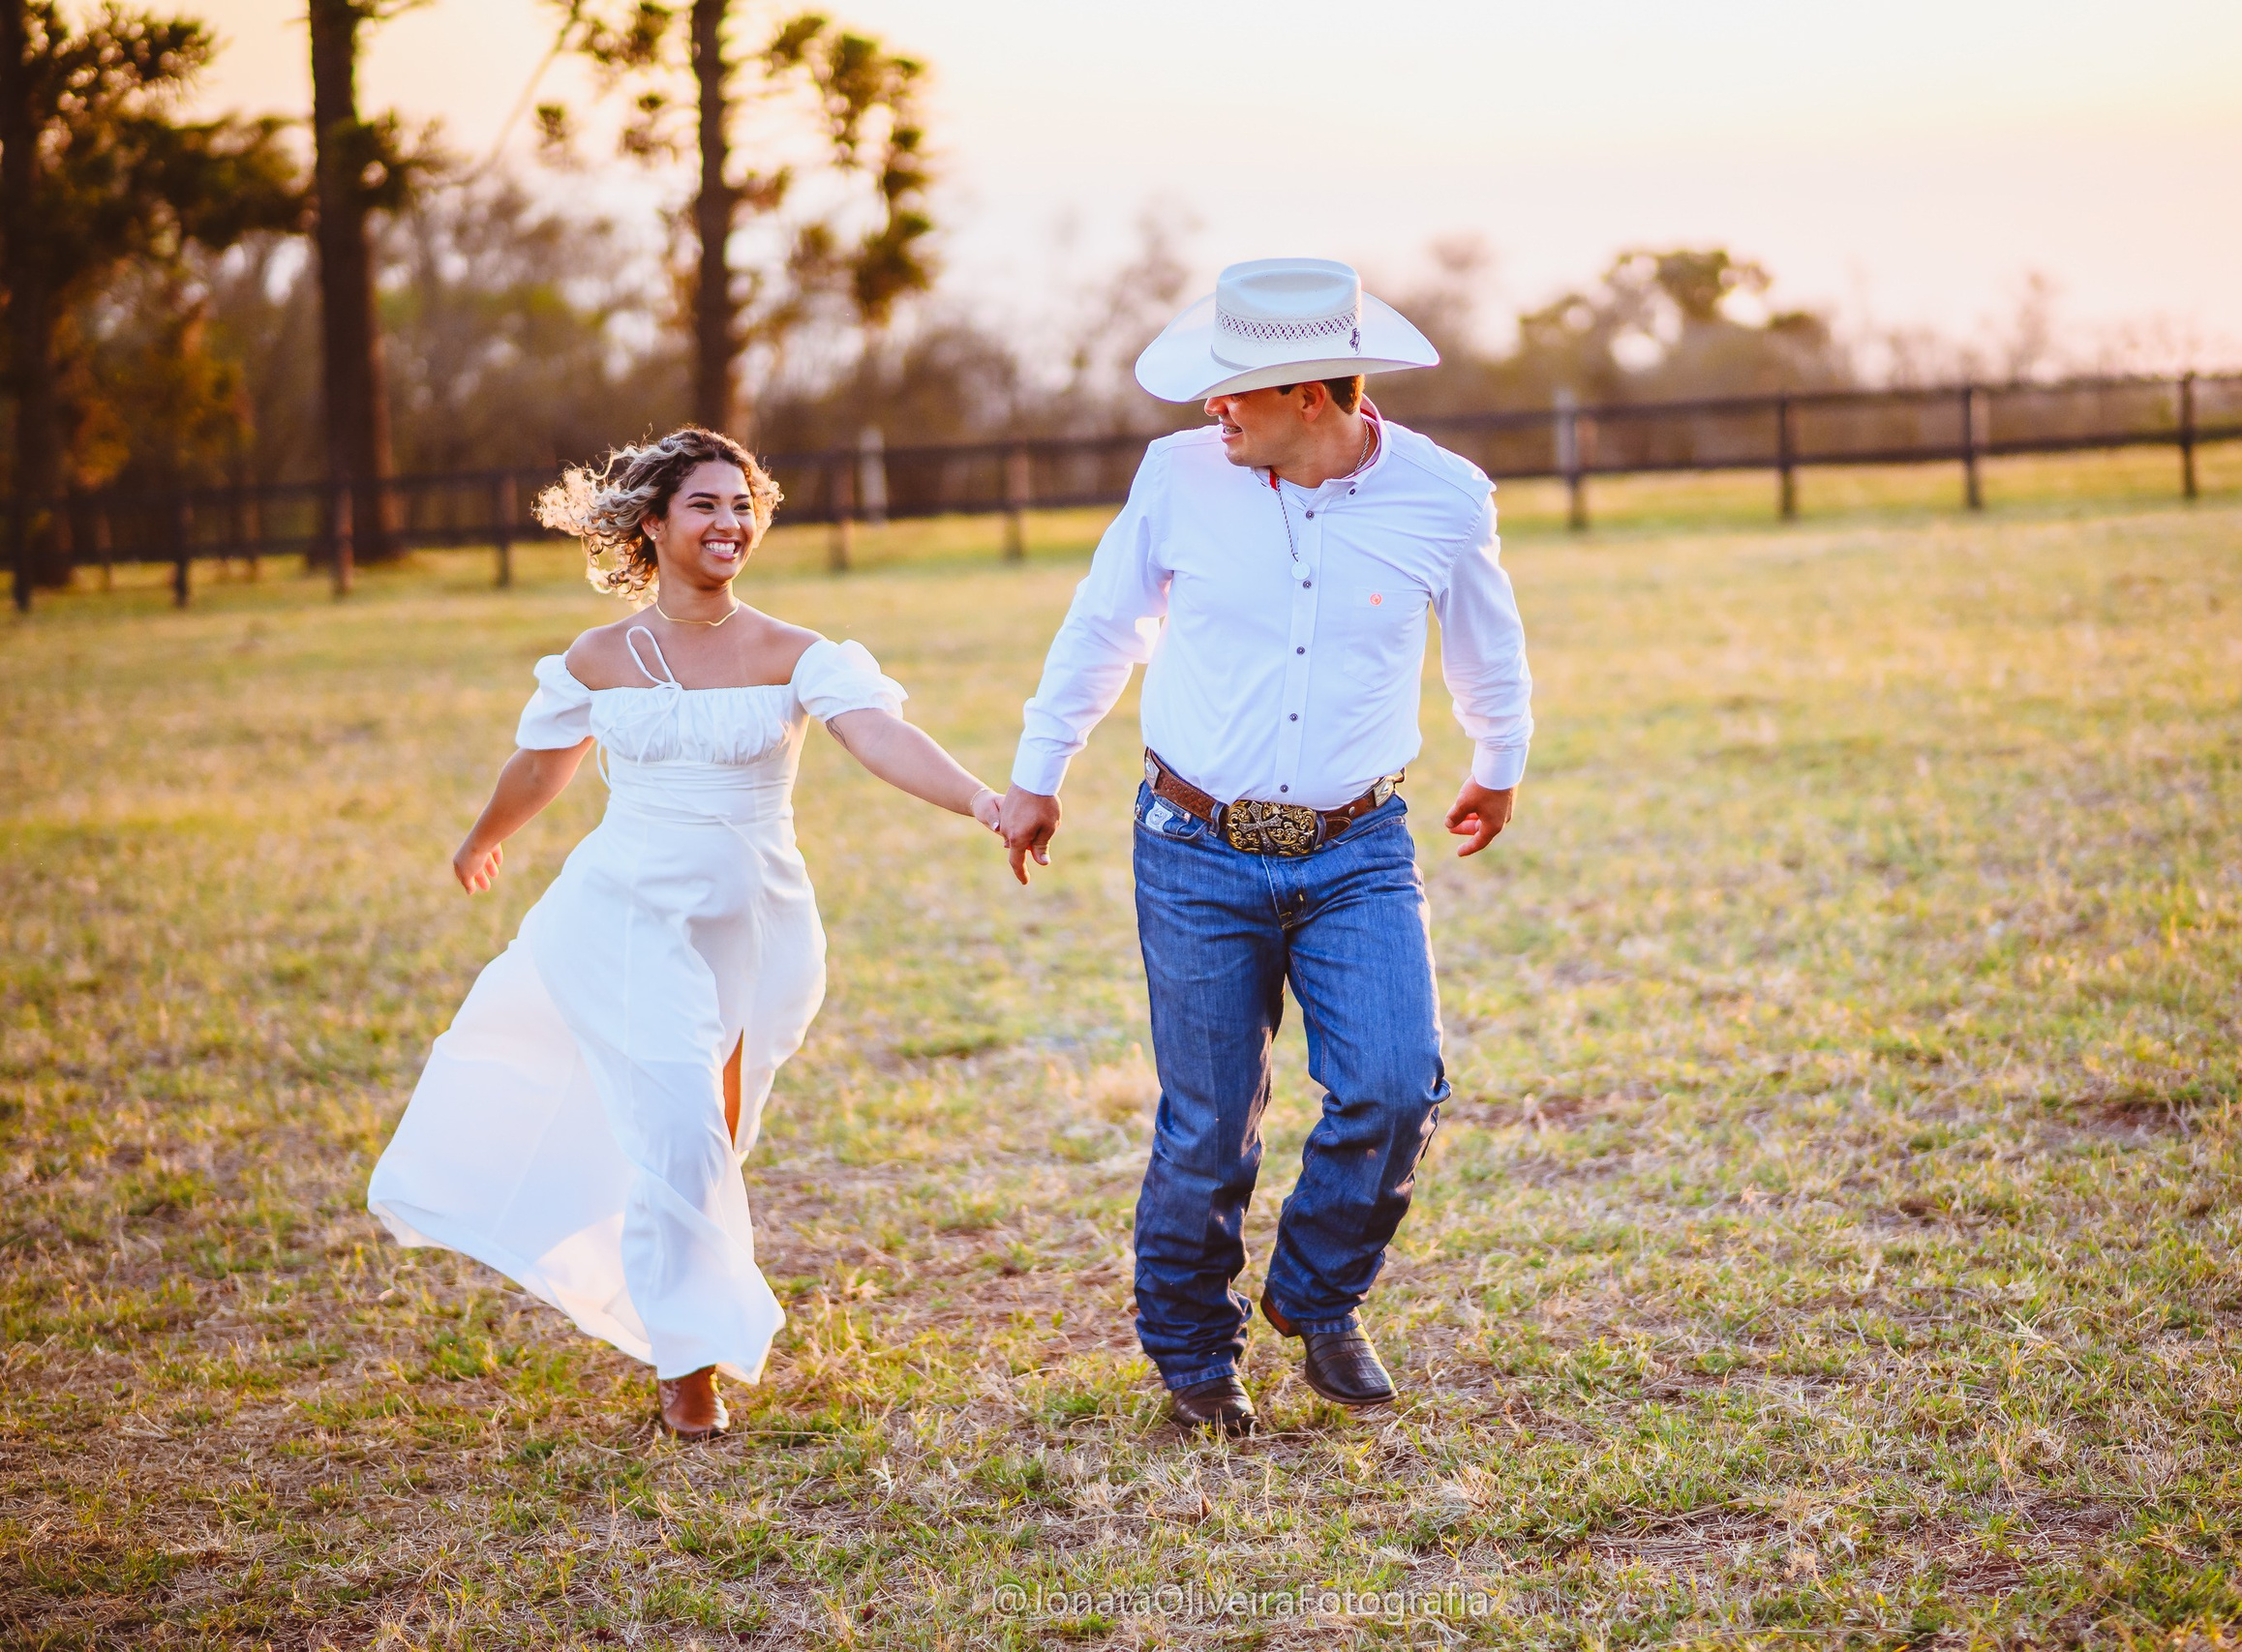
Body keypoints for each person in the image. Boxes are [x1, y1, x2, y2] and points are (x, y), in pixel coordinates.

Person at [368, 427, 1003, 1440]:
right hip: (623, 913)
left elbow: (877, 735)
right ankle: (689, 1376)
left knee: (717, 1139)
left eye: (744, 505)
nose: (731, 523)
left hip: (755, 921)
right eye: (706, 505)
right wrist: (484, 838)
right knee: (679, 1135)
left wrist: (982, 802)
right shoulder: (597, 657)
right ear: (653, 526)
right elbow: (542, 764)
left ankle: (676, 1311)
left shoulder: (798, 653)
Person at [1000, 258, 1535, 1434]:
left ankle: (1316, 1296)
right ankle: (1194, 1354)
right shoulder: (1178, 478)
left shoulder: (1444, 496)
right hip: (1193, 844)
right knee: (1208, 1123)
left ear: (1311, 394)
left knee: (1396, 1089)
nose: (1212, 408)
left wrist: (1499, 758)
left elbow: (1485, 643)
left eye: (1234, 388)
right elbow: (1105, 625)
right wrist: (1038, 775)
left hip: (1359, 846)